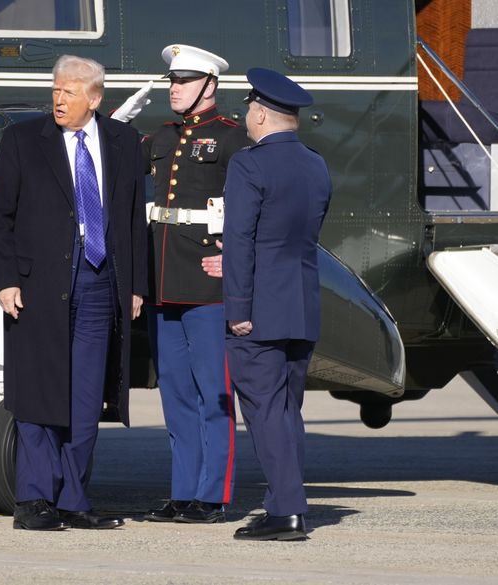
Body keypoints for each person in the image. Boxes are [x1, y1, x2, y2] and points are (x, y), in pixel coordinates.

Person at [0, 55, 148, 531]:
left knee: (85, 396)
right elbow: (0, 218)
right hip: (39, 285)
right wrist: (6, 279)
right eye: (55, 89)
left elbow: (133, 218)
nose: (58, 98)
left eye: (69, 92)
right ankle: (33, 501)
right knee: (38, 391)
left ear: (94, 99)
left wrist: (135, 285)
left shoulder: (123, 142)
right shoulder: (23, 140)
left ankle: (74, 499)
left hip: (100, 283)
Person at [141, 45, 250, 524]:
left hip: (208, 285)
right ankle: (184, 492)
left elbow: (254, 206)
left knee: (214, 394)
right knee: (176, 395)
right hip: (166, 282)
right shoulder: (162, 137)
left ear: (210, 86)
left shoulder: (232, 139)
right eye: (171, 81)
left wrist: (238, 259)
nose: (174, 88)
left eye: (183, 81)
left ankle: (214, 496)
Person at [221, 68, 332, 541]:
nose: (247, 116)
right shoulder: (316, 164)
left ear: (262, 113)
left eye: (249, 108)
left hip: (259, 306)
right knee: (288, 410)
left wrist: (238, 308)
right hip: (301, 305)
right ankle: (287, 502)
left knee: (265, 410)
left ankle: (286, 510)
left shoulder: (249, 164)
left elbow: (240, 240)